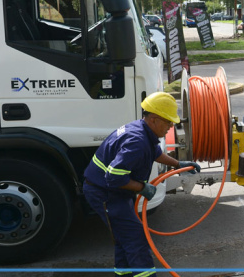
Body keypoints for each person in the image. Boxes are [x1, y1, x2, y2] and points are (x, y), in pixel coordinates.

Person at [82, 92, 201, 276]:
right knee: (135, 237)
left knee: (124, 236)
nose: (171, 126)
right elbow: (113, 177)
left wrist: (178, 164)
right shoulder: (136, 141)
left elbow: (154, 152)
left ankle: (124, 273)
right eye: (168, 121)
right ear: (153, 119)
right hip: (104, 192)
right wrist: (142, 188)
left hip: (112, 190)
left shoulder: (142, 129)